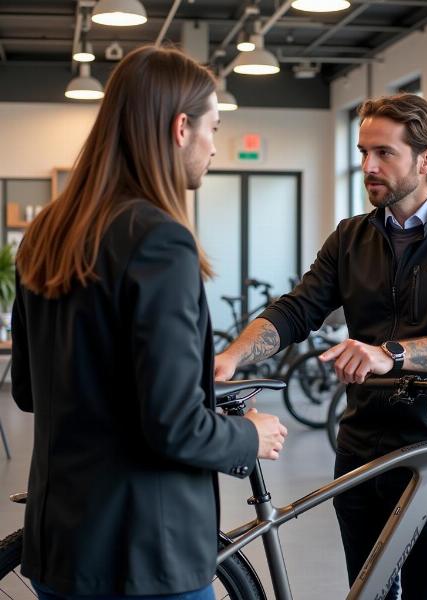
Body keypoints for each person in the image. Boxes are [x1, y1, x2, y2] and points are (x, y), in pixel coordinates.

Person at [11, 45, 287, 600]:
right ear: (181, 127)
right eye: (212, 128)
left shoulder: (46, 233)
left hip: (61, 544)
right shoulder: (159, 240)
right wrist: (247, 435)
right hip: (142, 555)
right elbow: (174, 426)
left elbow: (28, 391)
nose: (215, 146)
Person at [215, 93, 427, 599]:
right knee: (367, 586)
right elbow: (298, 308)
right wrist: (232, 355)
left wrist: (389, 353)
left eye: (383, 153)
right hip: (361, 444)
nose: (368, 166)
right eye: (362, 152)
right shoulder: (350, 238)